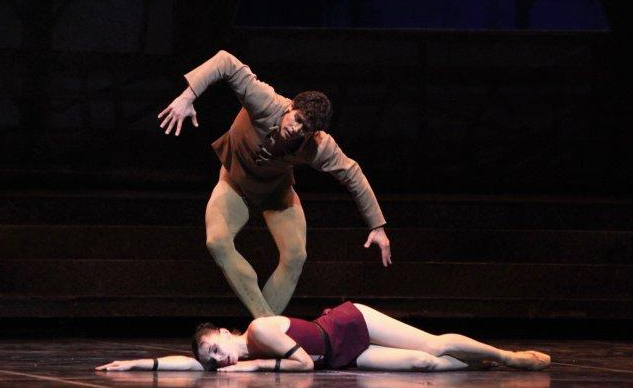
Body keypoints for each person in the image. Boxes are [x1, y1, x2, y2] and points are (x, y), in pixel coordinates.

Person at [157, 50, 391, 318]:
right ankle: (268, 326)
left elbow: (353, 173)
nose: (297, 129)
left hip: (277, 192)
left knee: (295, 256)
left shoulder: (317, 146)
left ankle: (260, 333)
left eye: (306, 129)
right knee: (217, 242)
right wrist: (187, 96)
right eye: (298, 120)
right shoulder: (264, 101)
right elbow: (225, 61)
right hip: (235, 183)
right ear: (291, 107)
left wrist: (377, 226)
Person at [95, 301, 550, 372]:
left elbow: (303, 365)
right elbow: (191, 363)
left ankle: (508, 357)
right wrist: (138, 363)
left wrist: (251, 369)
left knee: (432, 343)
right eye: (214, 360)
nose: (219, 361)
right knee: (424, 365)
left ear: (224, 332)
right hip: (342, 356)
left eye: (216, 348)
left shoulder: (255, 332)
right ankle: (480, 364)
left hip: (350, 324)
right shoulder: (234, 354)